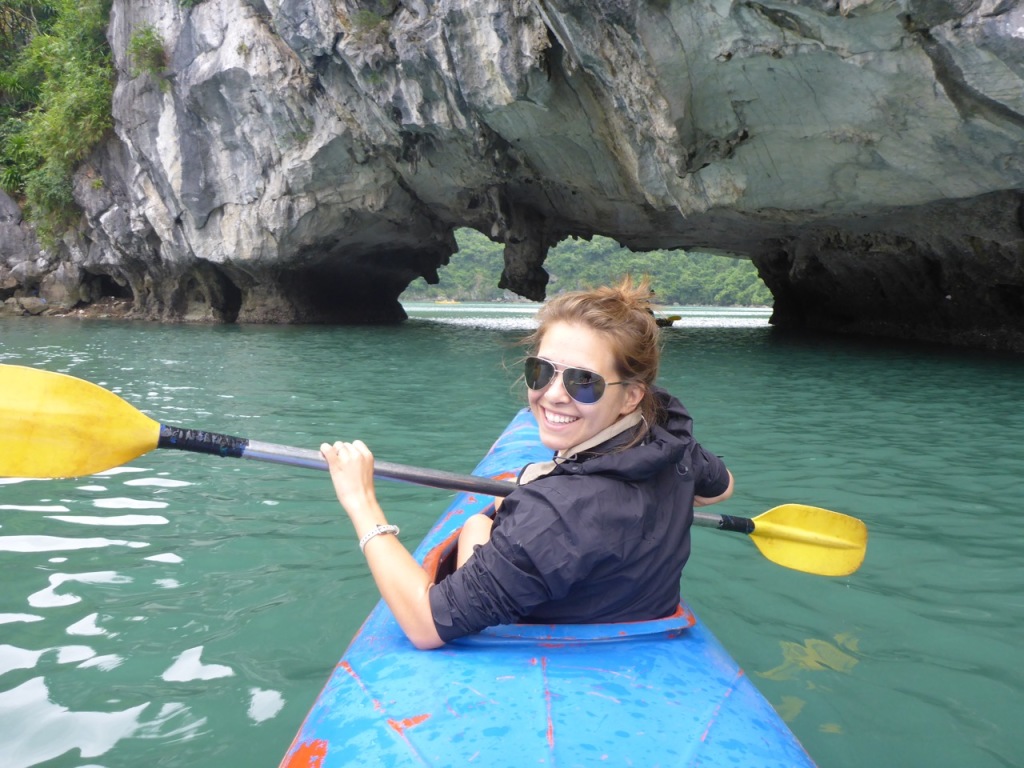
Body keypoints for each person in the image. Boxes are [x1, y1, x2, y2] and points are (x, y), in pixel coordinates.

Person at [321, 276, 734, 650]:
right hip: (632, 618)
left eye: (583, 381)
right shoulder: (671, 441)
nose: (553, 394)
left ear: (631, 396)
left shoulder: (557, 515)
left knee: (477, 524)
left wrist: (361, 501)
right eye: (541, 371)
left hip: (558, 635)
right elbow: (721, 488)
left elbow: (426, 625)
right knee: (490, 519)